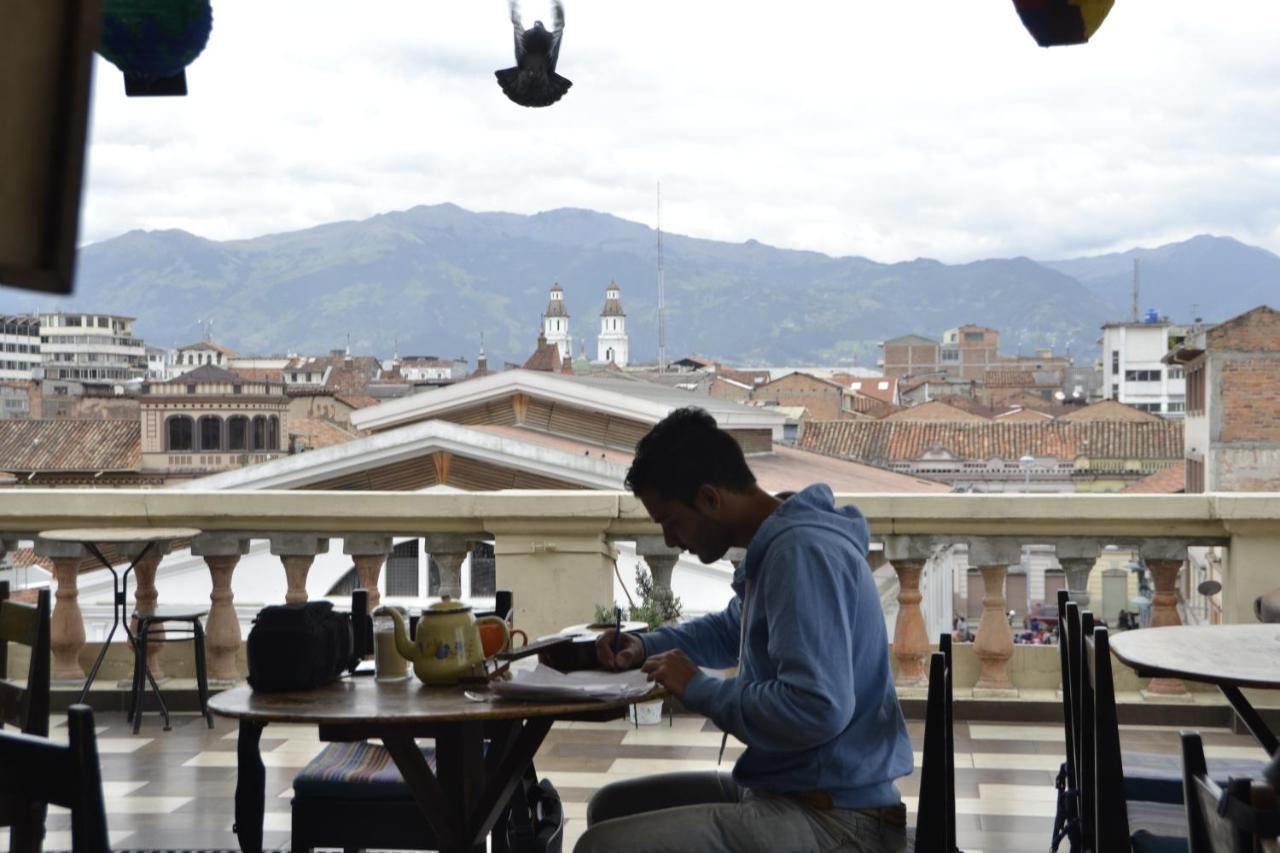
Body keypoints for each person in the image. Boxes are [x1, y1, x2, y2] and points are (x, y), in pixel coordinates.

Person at [575, 407, 912, 853]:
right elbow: (732, 629)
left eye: (670, 522)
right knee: (611, 805)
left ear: (710, 498)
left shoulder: (801, 553)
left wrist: (698, 688)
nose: (672, 540)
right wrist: (644, 646)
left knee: (603, 845)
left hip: (838, 818)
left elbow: (817, 707)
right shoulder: (780, 544)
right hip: (793, 792)